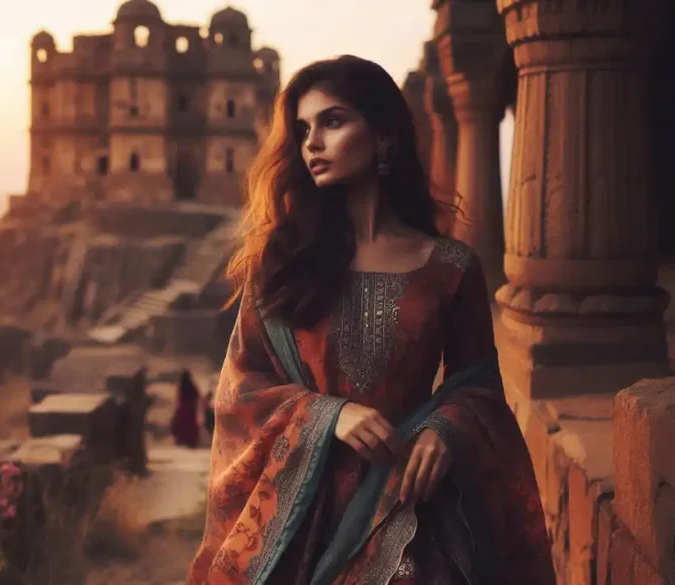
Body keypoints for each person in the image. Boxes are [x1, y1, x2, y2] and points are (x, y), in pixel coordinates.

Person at [186, 55, 554, 585]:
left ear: (383, 137)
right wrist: (326, 415)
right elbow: (241, 387)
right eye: (304, 129)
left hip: (411, 512)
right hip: (303, 524)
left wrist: (444, 431)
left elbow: (479, 386)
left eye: (333, 122)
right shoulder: (281, 266)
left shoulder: (449, 267)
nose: (312, 142)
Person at [170, 368, 201, 448]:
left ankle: (185, 440)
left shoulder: (183, 386)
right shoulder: (191, 386)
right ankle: (189, 441)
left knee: (182, 424)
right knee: (188, 425)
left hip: (184, 408)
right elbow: (196, 395)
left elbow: (180, 398)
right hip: (190, 409)